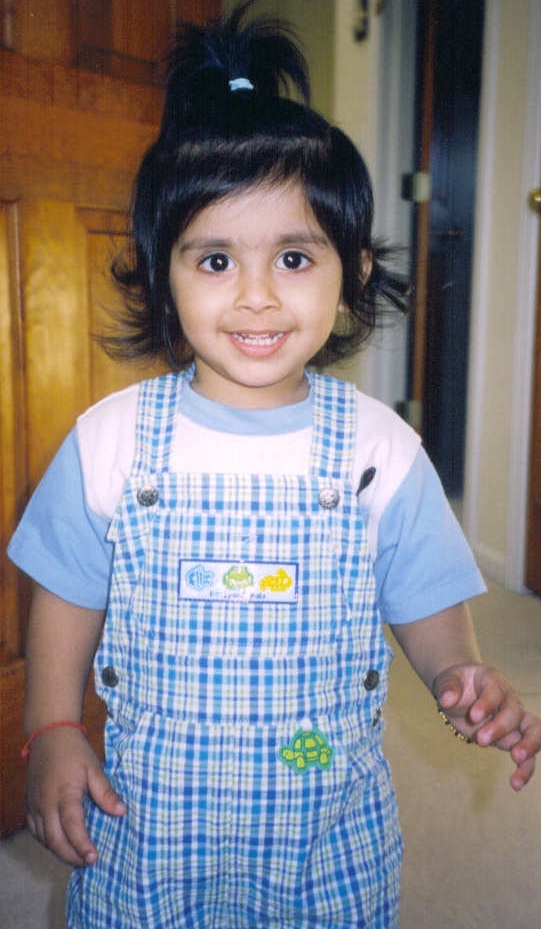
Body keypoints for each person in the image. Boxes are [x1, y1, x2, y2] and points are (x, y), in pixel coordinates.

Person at [8, 3, 541, 927]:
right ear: (162, 270)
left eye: (293, 257)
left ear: (352, 272)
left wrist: (461, 673)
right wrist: (52, 726)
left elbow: (426, 602)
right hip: (151, 822)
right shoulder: (109, 439)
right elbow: (65, 594)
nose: (255, 295)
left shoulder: (378, 449)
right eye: (215, 260)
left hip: (322, 826)